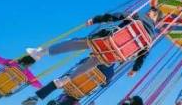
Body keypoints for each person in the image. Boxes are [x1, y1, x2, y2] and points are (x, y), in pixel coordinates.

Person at [24, 8, 162, 77]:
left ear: (153, 15)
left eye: (150, 11)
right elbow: (143, 56)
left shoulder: (138, 15)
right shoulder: (151, 38)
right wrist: (135, 70)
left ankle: (40, 53)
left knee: (77, 43)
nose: (148, 12)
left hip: (108, 39)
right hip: (116, 55)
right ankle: (68, 78)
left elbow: (116, 16)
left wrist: (96, 20)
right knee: (96, 60)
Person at [21, 57, 117, 105]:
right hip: (81, 91)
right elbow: (104, 85)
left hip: (71, 80)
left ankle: (36, 97)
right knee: (73, 100)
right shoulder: (111, 73)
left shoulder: (95, 58)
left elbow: (80, 63)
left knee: (57, 82)